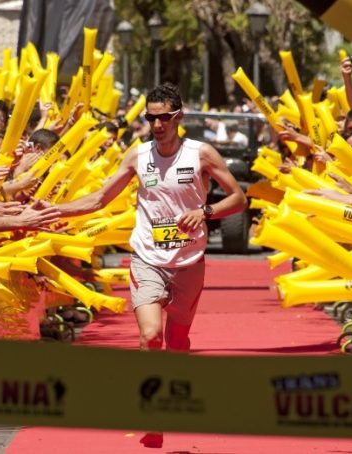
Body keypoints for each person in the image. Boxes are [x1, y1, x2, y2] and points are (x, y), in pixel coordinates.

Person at [55, 82, 246, 447]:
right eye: (152, 118)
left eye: (165, 118)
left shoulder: (201, 154)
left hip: (189, 261)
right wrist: (54, 211)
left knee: (177, 340)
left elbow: (238, 198)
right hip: (147, 258)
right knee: (150, 335)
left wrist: (204, 212)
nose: (158, 125)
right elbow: (99, 198)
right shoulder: (138, 156)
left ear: (179, 117)